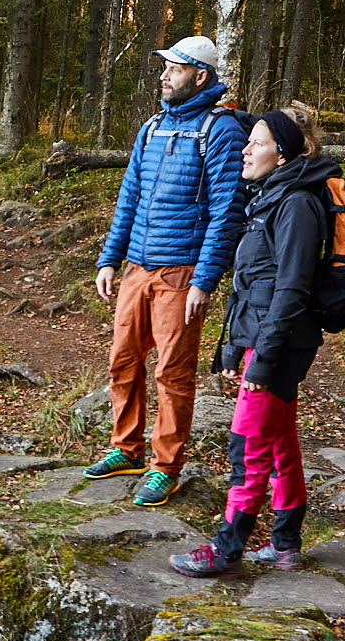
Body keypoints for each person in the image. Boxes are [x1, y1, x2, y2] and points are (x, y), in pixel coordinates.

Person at [175, 102, 339, 577]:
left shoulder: (298, 205)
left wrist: (262, 361)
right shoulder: (269, 196)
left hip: (280, 344)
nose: (245, 149)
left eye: (258, 143)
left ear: (282, 153)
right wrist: (232, 347)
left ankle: (227, 549)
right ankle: (286, 542)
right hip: (262, 338)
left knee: (247, 447)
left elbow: (290, 290)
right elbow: (252, 283)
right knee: (282, 441)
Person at [88, 35, 250, 508]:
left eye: (175, 68)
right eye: (165, 67)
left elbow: (227, 211)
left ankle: (165, 467)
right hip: (137, 265)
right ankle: (126, 449)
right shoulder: (153, 127)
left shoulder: (221, 130)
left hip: (182, 271)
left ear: (200, 76)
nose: (164, 76)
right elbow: (129, 199)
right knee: (123, 360)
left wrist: (205, 278)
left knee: (173, 373)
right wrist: (109, 259)